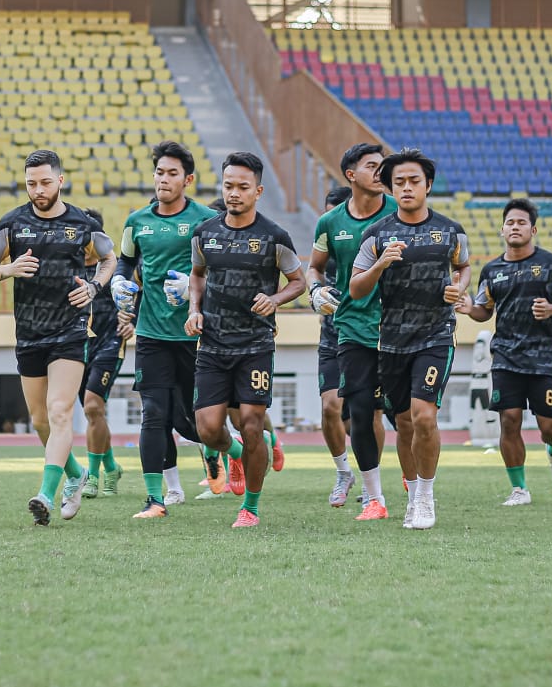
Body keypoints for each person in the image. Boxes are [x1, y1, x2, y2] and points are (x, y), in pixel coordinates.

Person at [0, 149, 115, 525]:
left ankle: (45, 494)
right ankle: (76, 473)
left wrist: (93, 288)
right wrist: (8, 269)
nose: (37, 190)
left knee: (59, 412)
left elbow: (109, 258)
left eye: (44, 182)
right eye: (30, 184)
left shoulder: (82, 223)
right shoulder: (12, 223)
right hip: (29, 333)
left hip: (70, 331)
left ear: (60, 180)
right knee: (40, 420)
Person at [350, 148, 470, 530]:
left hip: (436, 334)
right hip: (392, 341)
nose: (406, 187)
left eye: (414, 181)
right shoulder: (377, 234)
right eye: (398, 182)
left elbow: (463, 266)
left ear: (428, 185)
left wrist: (458, 287)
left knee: (423, 416)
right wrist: (382, 263)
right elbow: (355, 288)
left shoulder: (450, 230)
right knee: (403, 421)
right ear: (389, 187)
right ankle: (412, 491)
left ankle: (425, 498)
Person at [187, 152, 305, 528]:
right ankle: (236, 453)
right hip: (213, 343)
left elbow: (299, 281)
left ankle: (250, 508)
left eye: (242, 187)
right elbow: (198, 275)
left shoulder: (275, 237)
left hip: (255, 344)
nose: (234, 193)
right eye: (228, 186)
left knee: (253, 424)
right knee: (206, 428)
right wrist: (194, 309)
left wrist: (274, 300)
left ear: (258, 191)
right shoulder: (205, 233)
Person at [112, 141, 220, 518]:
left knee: (198, 425)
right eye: (159, 172)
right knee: (153, 413)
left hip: (196, 334)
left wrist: (195, 289)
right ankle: (156, 499)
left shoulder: (208, 220)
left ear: (187, 179)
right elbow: (125, 263)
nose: (164, 179)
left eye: (172, 173)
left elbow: (223, 272)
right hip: (152, 333)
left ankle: (235, 451)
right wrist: (118, 284)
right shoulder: (136, 221)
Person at [457, 198, 552, 506]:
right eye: (510, 222)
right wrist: (471, 309)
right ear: (502, 230)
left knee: (550, 429)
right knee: (509, 420)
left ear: (533, 229)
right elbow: (484, 312)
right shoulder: (492, 270)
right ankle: (519, 489)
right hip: (506, 357)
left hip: (543, 357)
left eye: (521, 222)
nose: (515, 226)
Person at [306, 143, 400, 511]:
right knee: (333, 406)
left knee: (380, 412)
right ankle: (345, 472)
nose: (380, 172)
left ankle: (386, 483)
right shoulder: (329, 225)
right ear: (350, 174)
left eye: (382, 167)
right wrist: (316, 291)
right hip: (339, 326)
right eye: (371, 166)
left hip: (390, 326)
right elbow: (312, 267)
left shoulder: (397, 212)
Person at [77, 208, 125, 500]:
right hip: (76, 345)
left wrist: (131, 319)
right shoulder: (70, 265)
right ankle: (111, 466)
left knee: (93, 407)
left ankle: (93, 476)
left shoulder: (114, 267)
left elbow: (139, 294)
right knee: (92, 411)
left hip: (110, 343)